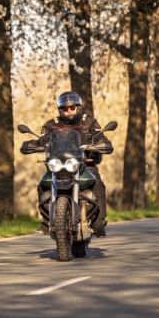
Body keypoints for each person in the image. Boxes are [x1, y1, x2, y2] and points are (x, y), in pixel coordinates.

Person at [31, 91, 112, 236]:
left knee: (97, 184)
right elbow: (42, 140)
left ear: (78, 107)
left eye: (72, 107)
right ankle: (46, 221)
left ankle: (99, 222)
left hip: (84, 164)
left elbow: (102, 138)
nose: (68, 111)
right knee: (42, 185)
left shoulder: (89, 122)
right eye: (64, 108)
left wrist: (100, 144)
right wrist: (34, 145)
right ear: (60, 110)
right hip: (58, 166)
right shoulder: (51, 125)